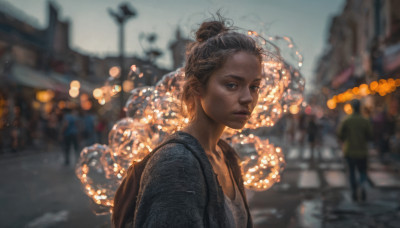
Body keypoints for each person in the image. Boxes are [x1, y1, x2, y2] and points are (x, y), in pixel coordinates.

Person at [113, 17, 264, 227]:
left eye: (254, 86)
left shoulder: (226, 154)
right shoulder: (177, 164)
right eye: (232, 85)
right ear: (196, 87)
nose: (248, 98)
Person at [338, 100, 372, 202]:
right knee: (362, 172)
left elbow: (340, 134)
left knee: (352, 172)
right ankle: (362, 186)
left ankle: (354, 191)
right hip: (362, 151)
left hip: (350, 151)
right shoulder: (365, 120)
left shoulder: (347, 120)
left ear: (352, 108)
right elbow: (370, 135)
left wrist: (345, 139)